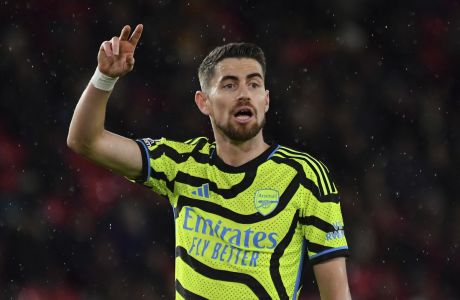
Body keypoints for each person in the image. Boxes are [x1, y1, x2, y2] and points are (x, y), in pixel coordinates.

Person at [67, 24, 351, 299]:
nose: (243, 93)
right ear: (204, 102)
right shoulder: (181, 163)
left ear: (265, 100)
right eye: (229, 85)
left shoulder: (306, 177)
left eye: (253, 84)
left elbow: (337, 295)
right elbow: (85, 141)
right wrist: (104, 78)